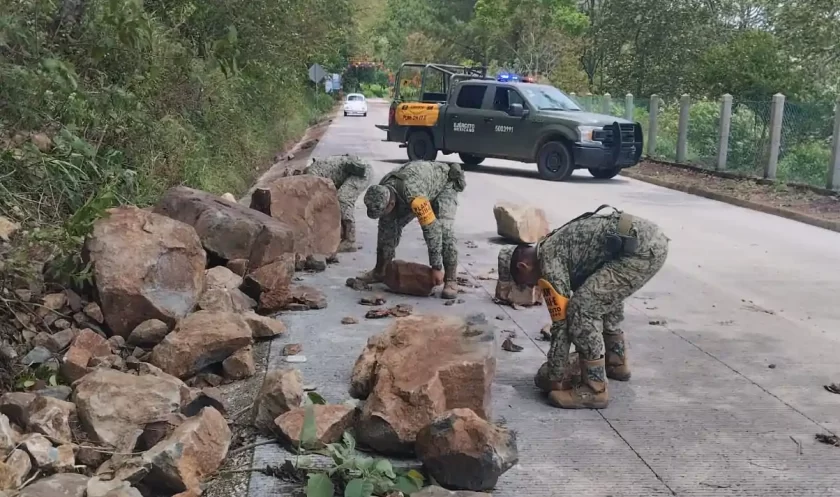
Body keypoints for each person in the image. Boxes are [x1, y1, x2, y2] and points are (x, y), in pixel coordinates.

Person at [498, 205, 669, 409]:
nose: (530, 286)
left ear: (523, 267)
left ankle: (594, 390)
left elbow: (561, 325)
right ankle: (615, 363)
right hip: (645, 241)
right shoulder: (550, 245)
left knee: (582, 309)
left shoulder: (549, 261)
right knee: (599, 296)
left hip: (640, 251)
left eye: (524, 282)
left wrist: (554, 374)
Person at [359, 160, 467, 299]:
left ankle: (451, 279)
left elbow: (432, 231)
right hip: (417, 189)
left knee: (444, 231)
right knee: (387, 226)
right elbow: (386, 223)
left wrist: (436, 267)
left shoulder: (415, 197)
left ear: (391, 203)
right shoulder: (382, 188)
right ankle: (380, 270)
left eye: (385, 211)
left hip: (443, 186)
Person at [300, 154, 373, 252]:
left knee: (343, 200)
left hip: (360, 173)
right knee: (334, 201)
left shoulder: (311, 176)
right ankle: (341, 233)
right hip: (351, 171)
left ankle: (350, 241)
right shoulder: (314, 170)